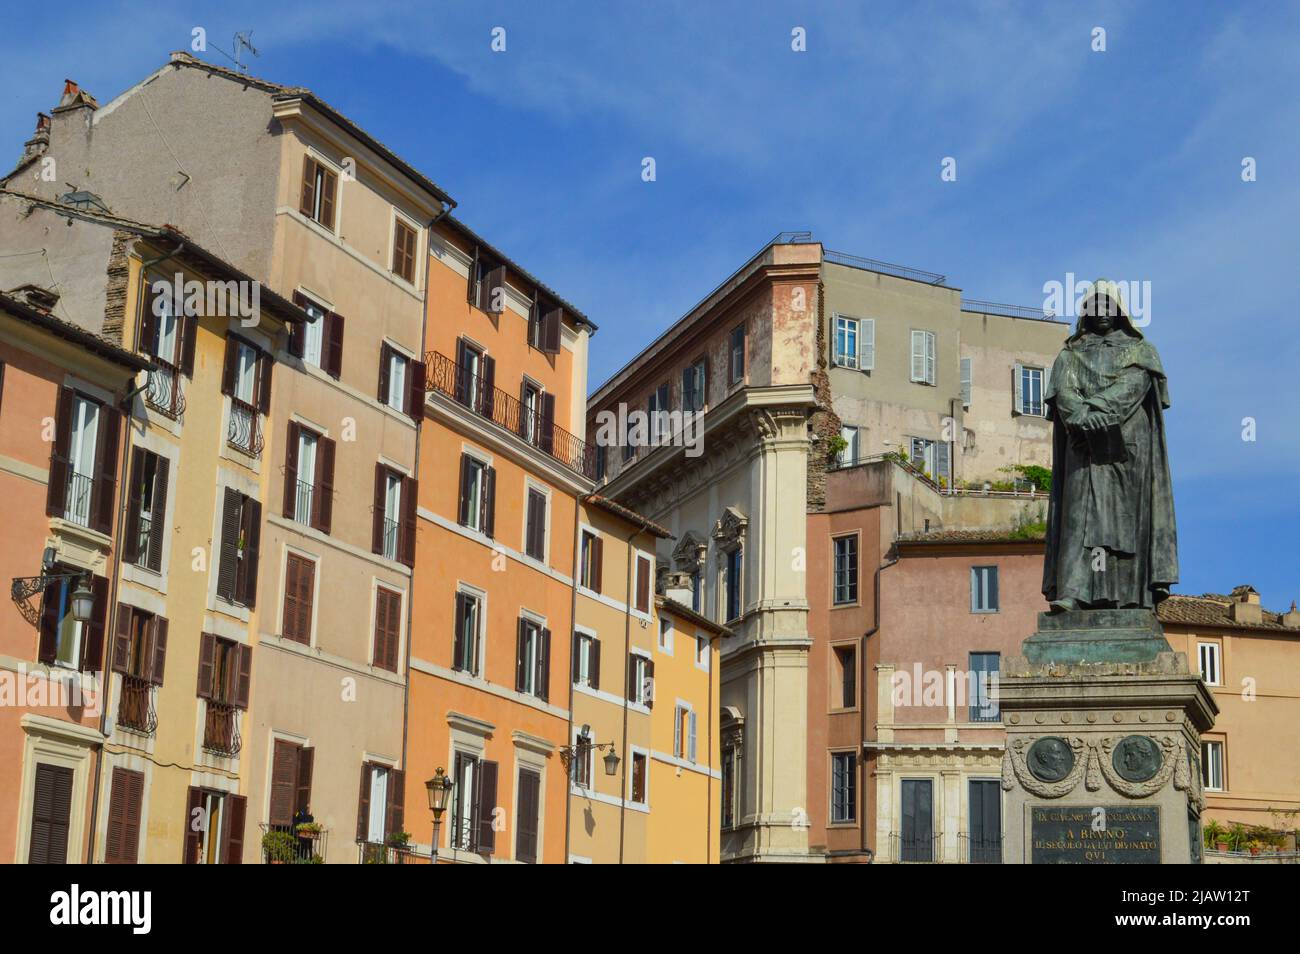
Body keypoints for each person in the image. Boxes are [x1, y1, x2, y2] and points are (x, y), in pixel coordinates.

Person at [1041, 281, 1178, 612]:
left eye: (1107, 305)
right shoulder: (1070, 354)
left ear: (1119, 310)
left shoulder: (1141, 351)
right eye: (1094, 306)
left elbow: (1134, 387)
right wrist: (1083, 418)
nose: (1101, 313)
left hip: (1127, 452)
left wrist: (1095, 409)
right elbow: (1063, 394)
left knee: (1126, 522)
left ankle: (1130, 596)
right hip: (1083, 448)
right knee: (1079, 519)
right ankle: (1073, 592)